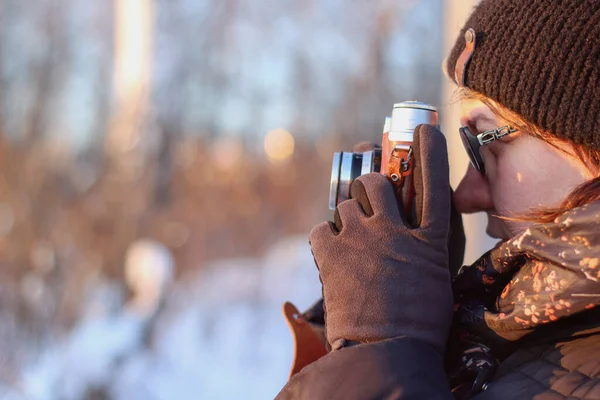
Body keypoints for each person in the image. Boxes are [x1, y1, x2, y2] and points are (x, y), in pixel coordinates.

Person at [276, 0, 600, 399]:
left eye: (486, 145)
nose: (464, 196)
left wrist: (377, 350)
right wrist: (377, 324)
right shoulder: (512, 334)